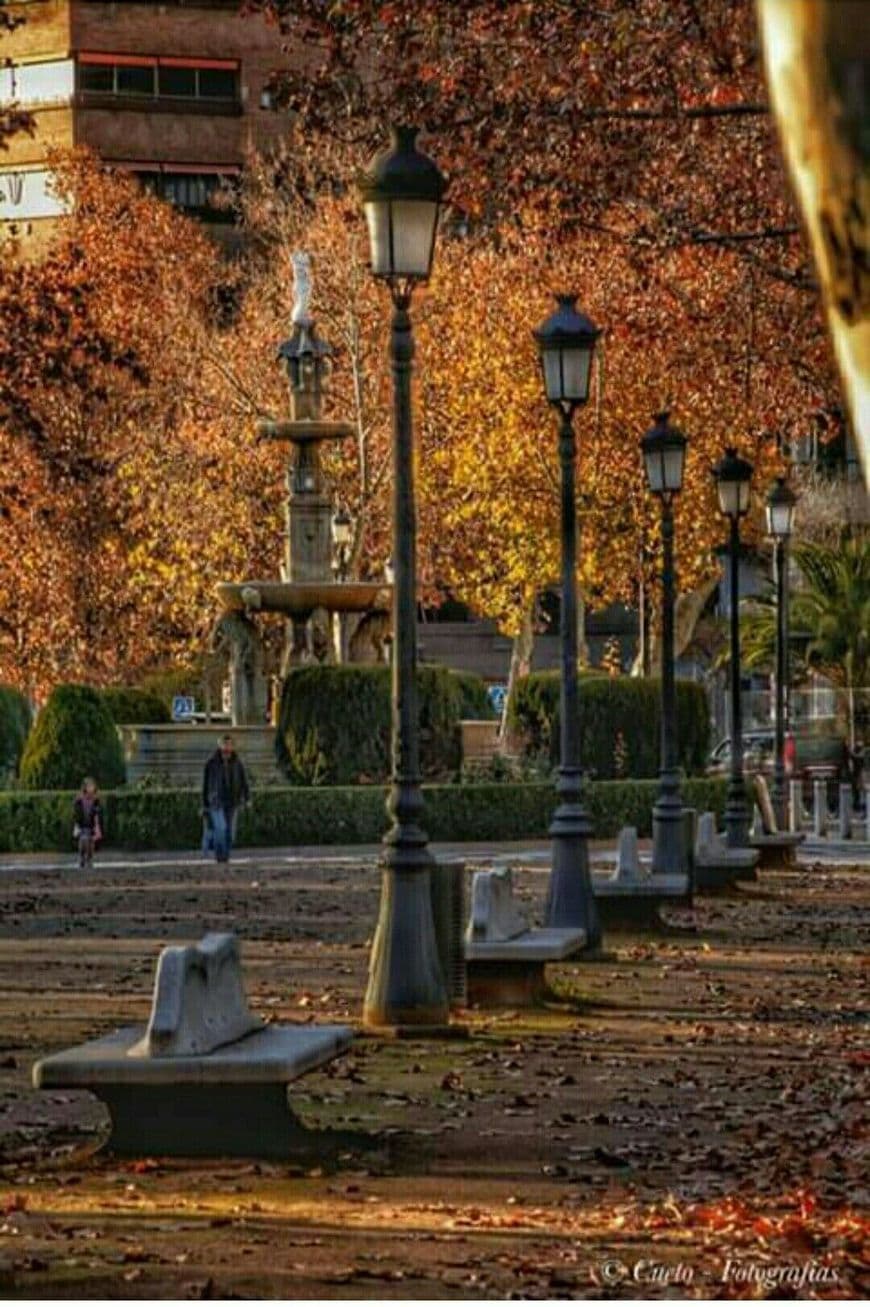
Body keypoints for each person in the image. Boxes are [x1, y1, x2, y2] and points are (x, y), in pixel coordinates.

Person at [201, 734, 250, 864]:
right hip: (216, 801)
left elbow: (244, 781)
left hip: (232, 801)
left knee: (229, 833)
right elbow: (205, 785)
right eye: (225, 744)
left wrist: (247, 798)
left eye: (229, 744)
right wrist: (205, 804)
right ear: (220, 746)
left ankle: (225, 856)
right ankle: (219, 856)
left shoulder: (237, 763)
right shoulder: (211, 763)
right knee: (220, 828)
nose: (227, 747)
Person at [73, 777, 103, 870]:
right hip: (81, 824)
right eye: (89, 786)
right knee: (83, 842)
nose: (91, 788)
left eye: (92, 786)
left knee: (90, 842)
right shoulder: (79, 800)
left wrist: (97, 827)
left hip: (91, 825)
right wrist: (76, 825)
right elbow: (76, 814)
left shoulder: (96, 801)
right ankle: (82, 858)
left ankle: (89, 859)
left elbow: (96, 814)